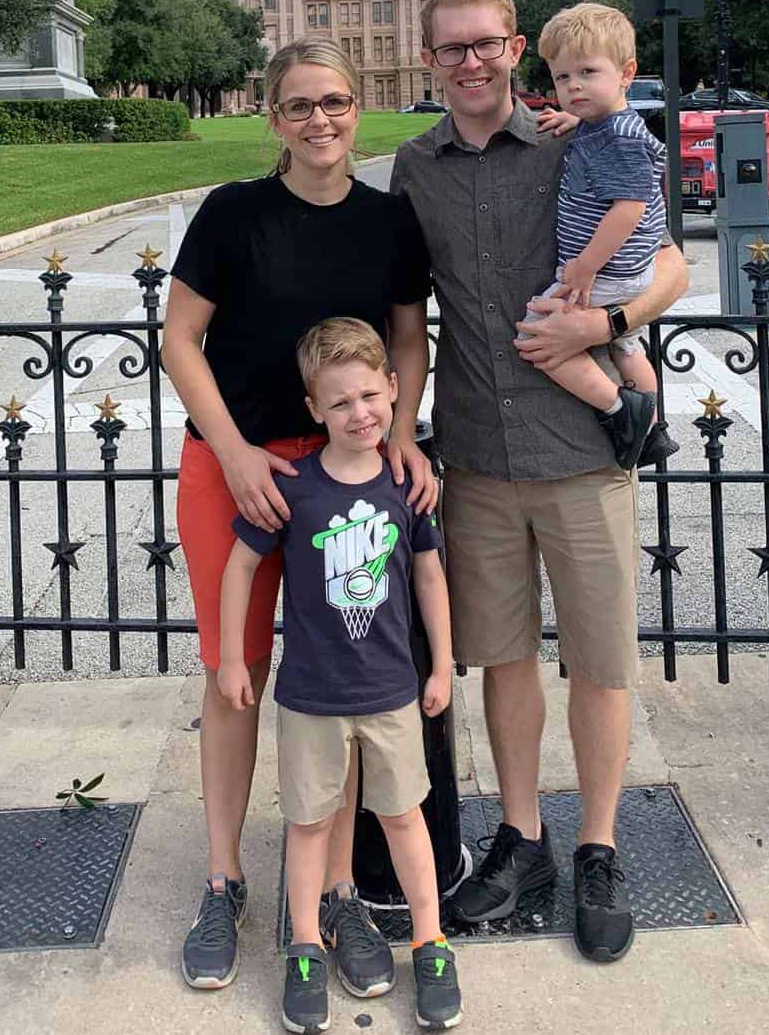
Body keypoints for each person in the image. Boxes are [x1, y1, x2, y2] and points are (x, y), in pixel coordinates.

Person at [388, 0, 689, 964]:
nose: (469, 62)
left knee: (598, 661)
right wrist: (396, 423)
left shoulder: (575, 136)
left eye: (485, 44)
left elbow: (669, 262)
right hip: (475, 454)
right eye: (451, 48)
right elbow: (403, 317)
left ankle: (598, 841)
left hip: (577, 451)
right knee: (503, 657)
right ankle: (523, 837)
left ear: (514, 46)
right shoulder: (415, 167)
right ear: (429, 59)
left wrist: (606, 323)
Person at [162, 40, 437, 996]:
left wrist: (398, 432)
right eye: (300, 107)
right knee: (234, 675)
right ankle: (224, 876)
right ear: (271, 118)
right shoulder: (234, 214)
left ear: (357, 109)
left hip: (348, 467)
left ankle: (343, 892)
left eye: (337, 103)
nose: (322, 121)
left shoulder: (387, 220)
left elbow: (408, 336)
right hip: (235, 466)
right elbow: (180, 339)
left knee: (349, 674)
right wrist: (235, 449)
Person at [219, 318, 461, 1034]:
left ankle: (429, 940)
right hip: (311, 697)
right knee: (308, 822)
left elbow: (428, 575)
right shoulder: (296, 488)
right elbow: (240, 566)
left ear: (394, 388)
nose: (359, 413)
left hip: (390, 692)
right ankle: (302, 946)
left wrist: (441, 664)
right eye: (340, 402)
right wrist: (235, 656)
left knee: (402, 816)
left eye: (369, 395)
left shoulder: (404, 486)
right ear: (314, 410)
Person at [523, 2, 679, 472]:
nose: (573, 86)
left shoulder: (618, 139)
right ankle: (654, 430)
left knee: (537, 335)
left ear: (627, 72)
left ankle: (620, 411)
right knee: (627, 345)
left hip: (607, 273)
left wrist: (586, 265)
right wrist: (578, 120)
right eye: (563, 77)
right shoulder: (609, 127)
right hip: (628, 272)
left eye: (588, 72)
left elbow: (629, 208)